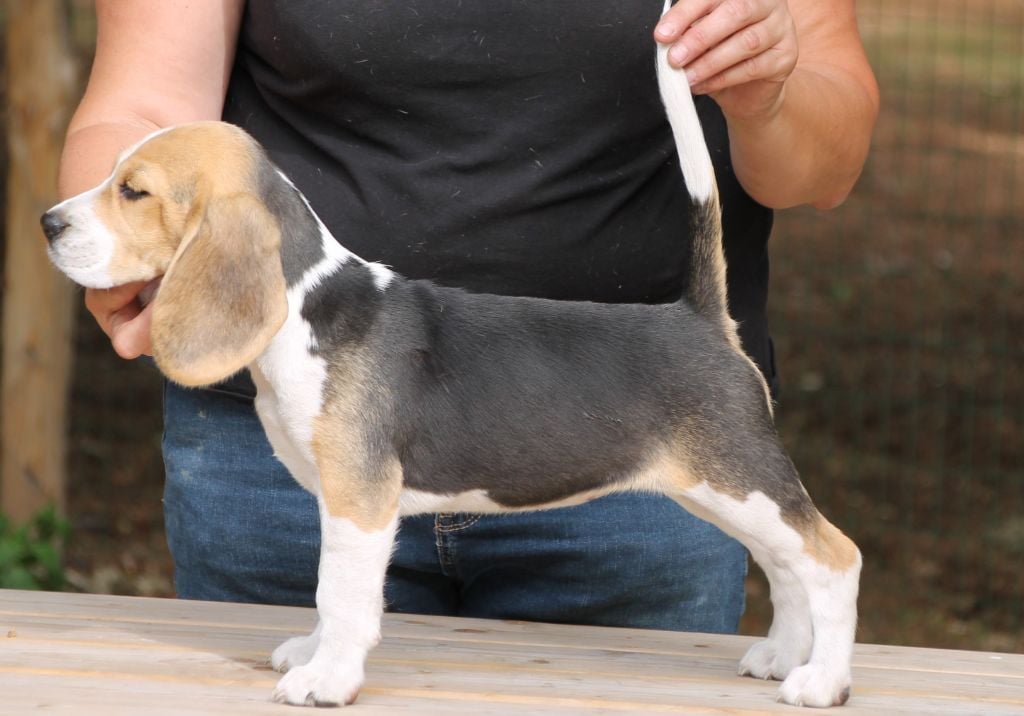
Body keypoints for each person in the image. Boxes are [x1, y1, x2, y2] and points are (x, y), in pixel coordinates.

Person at [59, 1, 878, 632]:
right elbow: (145, 107)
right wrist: (155, 265)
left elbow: (832, 160)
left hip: (623, 415)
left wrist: (770, 95)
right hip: (274, 452)